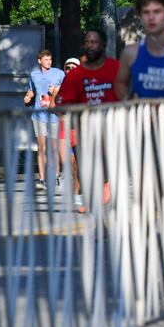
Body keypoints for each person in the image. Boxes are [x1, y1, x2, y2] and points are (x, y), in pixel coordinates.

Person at [53, 30, 120, 206]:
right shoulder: (75, 75)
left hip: (109, 127)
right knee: (84, 168)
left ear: (104, 45)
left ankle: (104, 182)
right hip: (82, 129)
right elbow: (61, 104)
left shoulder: (115, 69)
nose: (90, 46)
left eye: (94, 42)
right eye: (87, 42)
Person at [24, 49, 64, 190]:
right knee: (41, 148)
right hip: (39, 115)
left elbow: (65, 92)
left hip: (54, 114)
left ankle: (57, 176)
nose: (49, 62)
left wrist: (56, 91)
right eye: (46, 59)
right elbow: (31, 93)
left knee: (54, 148)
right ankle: (41, 180)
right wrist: (28, 98)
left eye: (50, 59)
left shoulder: (59, 73)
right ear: (39, 61)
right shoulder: (34, 75)